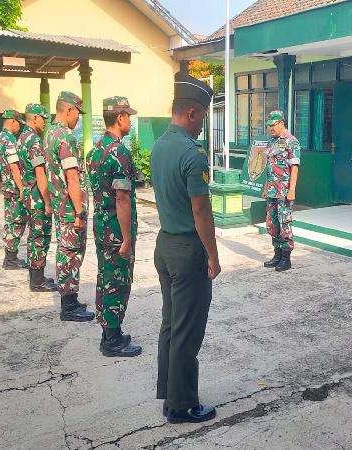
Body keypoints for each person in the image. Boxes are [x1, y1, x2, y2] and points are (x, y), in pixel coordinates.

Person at [151, 72, 219, 424]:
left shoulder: (159, 145)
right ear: (191, 112)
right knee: (187, 331)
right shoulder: (192, 154)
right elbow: (201, 210)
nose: (202, 124)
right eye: (202, 116)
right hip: (187, 250)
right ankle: (181, 405)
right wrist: (213, 255)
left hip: (164, 245)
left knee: (170, 324)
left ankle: (168, 392)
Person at [87, 96, 143, 357]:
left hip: (101, 226)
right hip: (116, 231)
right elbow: (122, 198)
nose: (129, 120)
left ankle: (110, 332)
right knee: (117, 282)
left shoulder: (96, 150)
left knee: (105, 278)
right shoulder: (119, 153)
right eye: (128, 116)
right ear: (120, 118)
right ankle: (112, 340)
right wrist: (127, 238)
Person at [43, 91, 95, 322]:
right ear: (68, 110)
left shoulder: (49, 134)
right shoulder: (65, 137)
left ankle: (70, 300)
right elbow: (72, 178)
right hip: (70, 209)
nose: (78, 119)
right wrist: (79, 212)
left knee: (65, 252)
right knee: (71, 255)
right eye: (77, 114)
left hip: (59, 206)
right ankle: (69, 307)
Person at [17, 103, 56, 292]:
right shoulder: (34, 141)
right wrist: (47, 202)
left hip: (27, 193)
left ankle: (37, 277)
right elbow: (40, 174)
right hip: (37, 197)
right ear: (34, 118)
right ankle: (37, 281)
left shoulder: (21, 138)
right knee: (40, 237)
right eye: (43, 118)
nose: (45, 122)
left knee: (34, 237)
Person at [261, 110, 300, 272]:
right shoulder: (271, 142)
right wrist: (266, 186)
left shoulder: (291, 141)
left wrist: (292, 190)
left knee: (284, 223)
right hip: (272, 190)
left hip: (284, 191)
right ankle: (277, 255)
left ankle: (286, 258)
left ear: (282, 123)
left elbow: (294, 167)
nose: (271, 128)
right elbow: (270, 167)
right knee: (272, 223)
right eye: (269, 126)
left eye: (273, 125)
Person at [0, 109, 29, 270]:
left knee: (10, 221)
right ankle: (10, 260)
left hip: (7, 186)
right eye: (18, 124)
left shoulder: (0, 138)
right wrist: (22, 188)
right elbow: (14, 167)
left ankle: (10, 257)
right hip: (14, 188)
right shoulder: (9, 140)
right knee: (16, 222)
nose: (19, 128)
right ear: (13, 121)